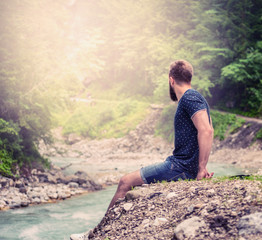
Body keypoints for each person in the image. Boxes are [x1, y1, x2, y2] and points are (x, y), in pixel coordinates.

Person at [70, 59, 214, 240]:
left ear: (171, 80)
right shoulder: (195, 97)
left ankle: (94, 235)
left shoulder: (189, 97)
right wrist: (201, 165)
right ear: (189, 77)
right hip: (181, 164)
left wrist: (201, 168)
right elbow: (210, 129)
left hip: (179, 167)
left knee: (125, 181)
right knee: (130, 182)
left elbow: (206, 130)